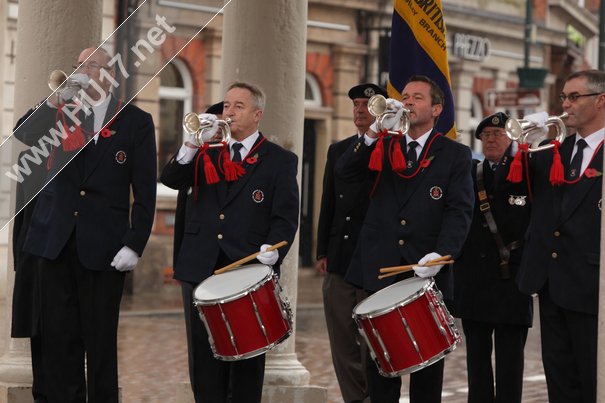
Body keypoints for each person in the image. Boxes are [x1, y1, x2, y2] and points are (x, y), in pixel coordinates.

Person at [15, 47, 157, 403]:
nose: (83, 72)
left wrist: (134, 243)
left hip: (104, 248)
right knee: (56, 340)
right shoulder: (60, 114)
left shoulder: (135, 121)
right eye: (78, 65)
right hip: (54, 243)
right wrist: (52, 101)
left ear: (110, 74)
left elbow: (144, 190)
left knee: (100, 342)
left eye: (92, 65)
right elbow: (23, 135)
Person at [336, 75, 474, 403]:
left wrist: (441, 255)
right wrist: (374, 131)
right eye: (406, 97)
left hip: (424, 270)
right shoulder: (383, 143)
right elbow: (345, 172)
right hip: (379, 266)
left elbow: (460, 211)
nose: (408, 102)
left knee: (427, 371)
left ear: (437, 109)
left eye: (417, 98)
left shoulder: (454, 154)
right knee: (380, 365)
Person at [160, 81, 299, 403]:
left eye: (238, 106)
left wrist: (273, 250)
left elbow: (285, 217)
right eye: (226, 105)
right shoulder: (207, 150)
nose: (229, 112)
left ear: (257, 114)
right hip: (201, 264)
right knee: (203, 352)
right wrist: (192, 145)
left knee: (247, 353)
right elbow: (170, 180)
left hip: (246, 267)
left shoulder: (279, 160)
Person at [516, 69, 605, 403]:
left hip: (593, 285)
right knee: (559, 378)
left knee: (593, 379)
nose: (565, 104)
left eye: (573, 97)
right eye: (563, 97)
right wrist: (527, 143)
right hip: (552, 283)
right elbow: (516, 190)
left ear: (600, 100)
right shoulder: (555, 150)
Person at [452, 112, 533, 403]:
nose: (491, 140)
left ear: (511, 138)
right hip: (474, 279)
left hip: (512, 279)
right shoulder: (470, 174)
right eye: (485, 135)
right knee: (476, 361)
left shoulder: (526, 171)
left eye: (497, 135)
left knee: (511, 361)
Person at [316, 83, 386, 403]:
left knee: (373, 343)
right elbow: (328, 202)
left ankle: (376, 397)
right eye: (356, 104)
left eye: (367, 104)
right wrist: (321, 251)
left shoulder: (392, 147)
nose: (360, 110)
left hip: (374, 259)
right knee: (343, 341)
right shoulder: (339, 149)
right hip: (341, 255)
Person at [173, 101, 224, 269]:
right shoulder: (194, 157)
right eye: (211, 126)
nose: (216, 132)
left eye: (220, 127)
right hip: (192, 256)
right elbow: (170, 178)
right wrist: (193, 141)